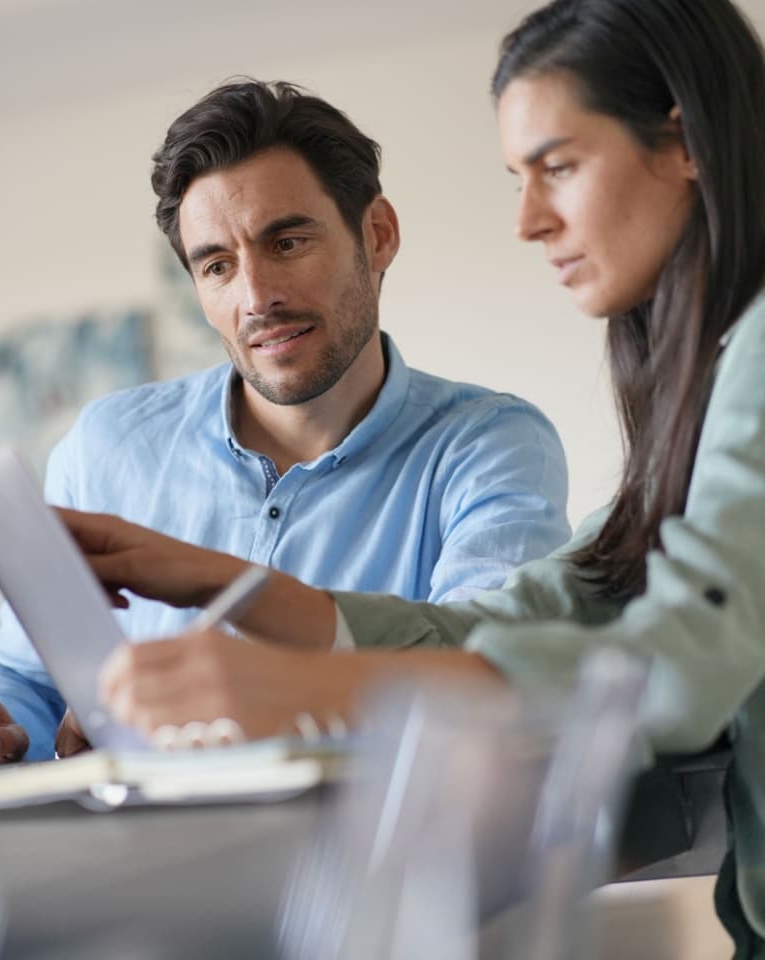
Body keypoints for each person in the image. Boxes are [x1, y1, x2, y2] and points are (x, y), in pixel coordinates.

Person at [57, 0, 765, 950]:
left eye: (557, 166)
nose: (526, 219)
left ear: (683, 141)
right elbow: (540, 610)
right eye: (519, 177)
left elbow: (688, 657)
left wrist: (311, 691)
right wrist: (226, 581)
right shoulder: (708, 378)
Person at [0, 79, 572, 762]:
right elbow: (27, 675)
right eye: (217, 265)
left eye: (288, 242)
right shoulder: (106, 447)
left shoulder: (490, 445)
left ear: (379, 234)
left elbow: (493, 674)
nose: (257, 298)